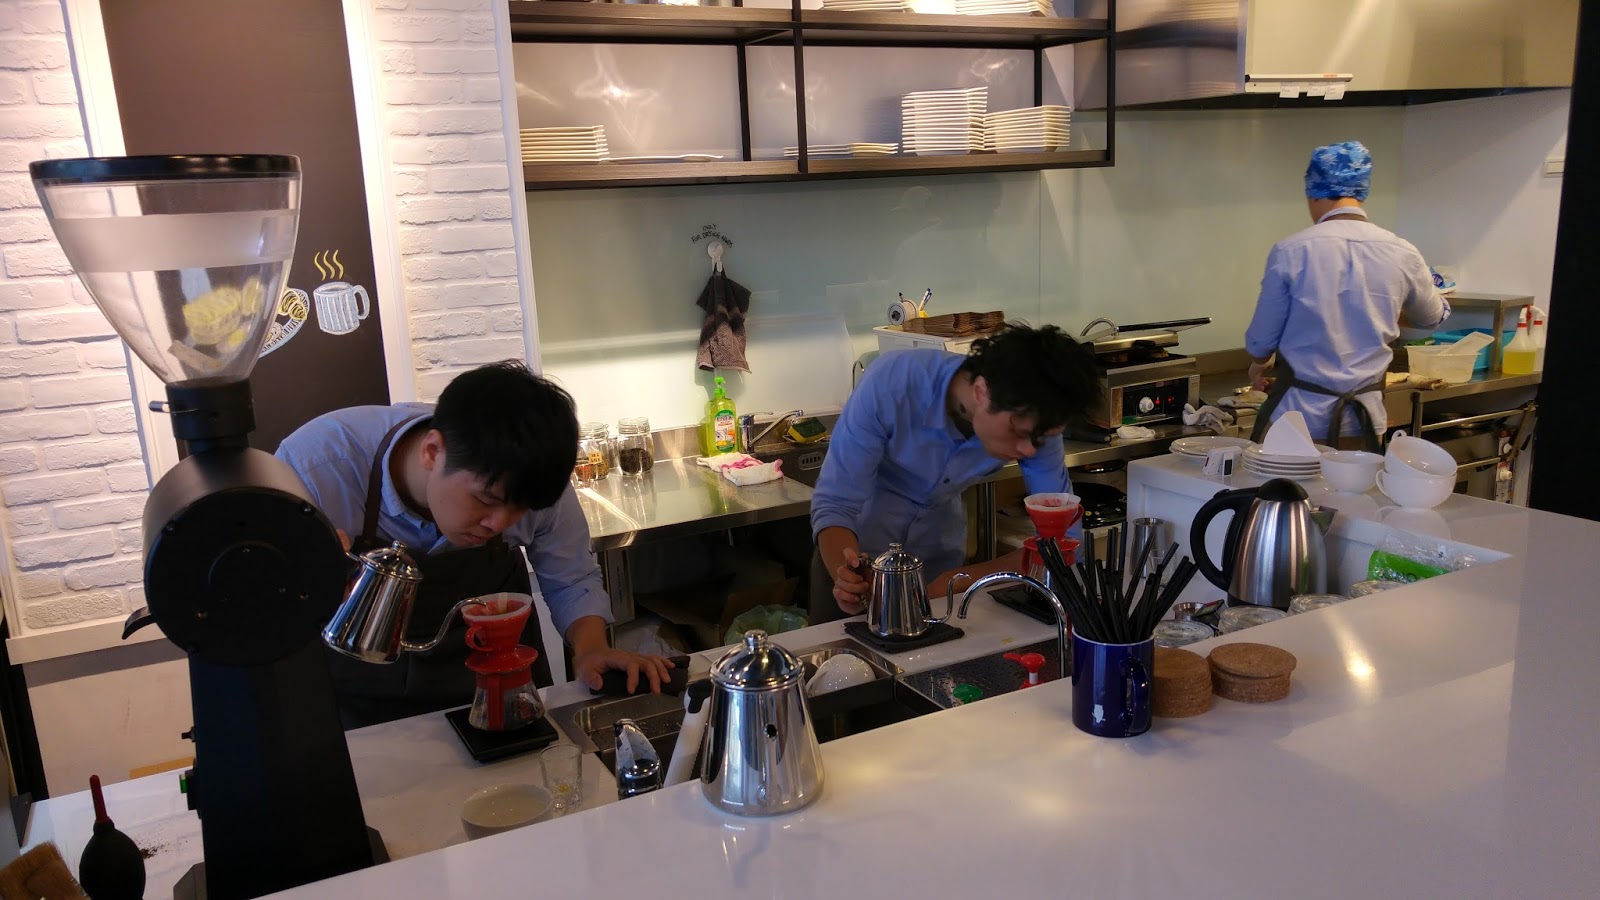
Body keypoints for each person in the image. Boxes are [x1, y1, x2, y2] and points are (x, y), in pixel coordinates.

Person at [277, 361, 674, 728]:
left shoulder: (535, 481)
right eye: (485, 500)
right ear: (432, 452)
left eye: (519, 510)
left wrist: (590, 650)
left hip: (499, 685)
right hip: (361, 697)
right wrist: (301, 581)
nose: (498, 524)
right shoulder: (317, 468)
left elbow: (571, 579)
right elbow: (268, 599)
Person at [808, 323, 1103, 621]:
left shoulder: (1036, 418)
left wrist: (957, 581)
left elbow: (1064, 541)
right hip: (853, 561)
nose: (1029, 450)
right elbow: (836, 504)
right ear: (981, 391)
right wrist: (850, 580)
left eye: (1038, 439)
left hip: (938, 564)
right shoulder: (892, 384)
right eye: (1018, 432)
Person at [1245, 140, 1450, 451]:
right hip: (1364, 420)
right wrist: (1382, 310)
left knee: (1291, 485)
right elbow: (1431, 317)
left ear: (1314, 192)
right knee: (1355, 485)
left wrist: (1259, 364)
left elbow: (1260, 343)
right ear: (1361, 193)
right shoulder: (1401, 251)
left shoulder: (1292, 250)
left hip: (1297, 421)